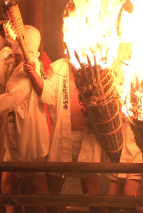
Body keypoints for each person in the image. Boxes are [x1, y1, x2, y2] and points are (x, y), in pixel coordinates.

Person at [0, 25, 57, 213]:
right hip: (18, 137)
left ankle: (57, 211)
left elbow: (14, 98)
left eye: (17, 35)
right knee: (18, 188)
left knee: (28, 188)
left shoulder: (31, 65)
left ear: (27, 41)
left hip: (28, 138)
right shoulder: (14, 63)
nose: (12, 37)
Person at [41, 58, 104, 213]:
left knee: (91, 189)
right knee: (53, 190)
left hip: (88, 137)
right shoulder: (57, 70)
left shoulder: (97, 69)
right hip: (62, 136)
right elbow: (46, 94)